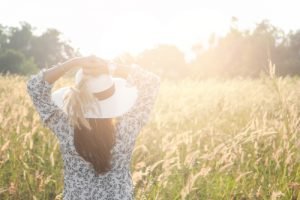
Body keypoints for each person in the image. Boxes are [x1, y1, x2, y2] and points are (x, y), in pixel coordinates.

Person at [26, 56, 161, 199]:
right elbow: (152, 82)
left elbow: (35, 87)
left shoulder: (64, 125)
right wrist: (111, 66)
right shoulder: (129, 124)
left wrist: (73, 63)